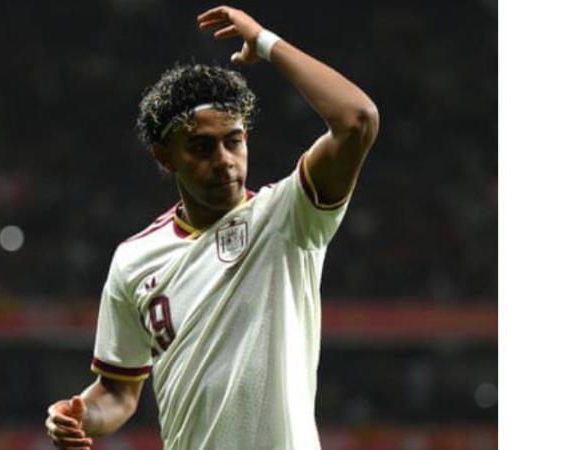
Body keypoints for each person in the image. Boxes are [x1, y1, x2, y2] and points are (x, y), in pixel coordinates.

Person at [45, 5, 379, 449]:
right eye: (202, 147)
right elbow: (118, 393)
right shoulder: (133, 260)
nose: (224, 161)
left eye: (233, 141)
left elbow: (357, 119)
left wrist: (265, 42)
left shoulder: (287, 218)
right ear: (165, 157)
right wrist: (79, 416)